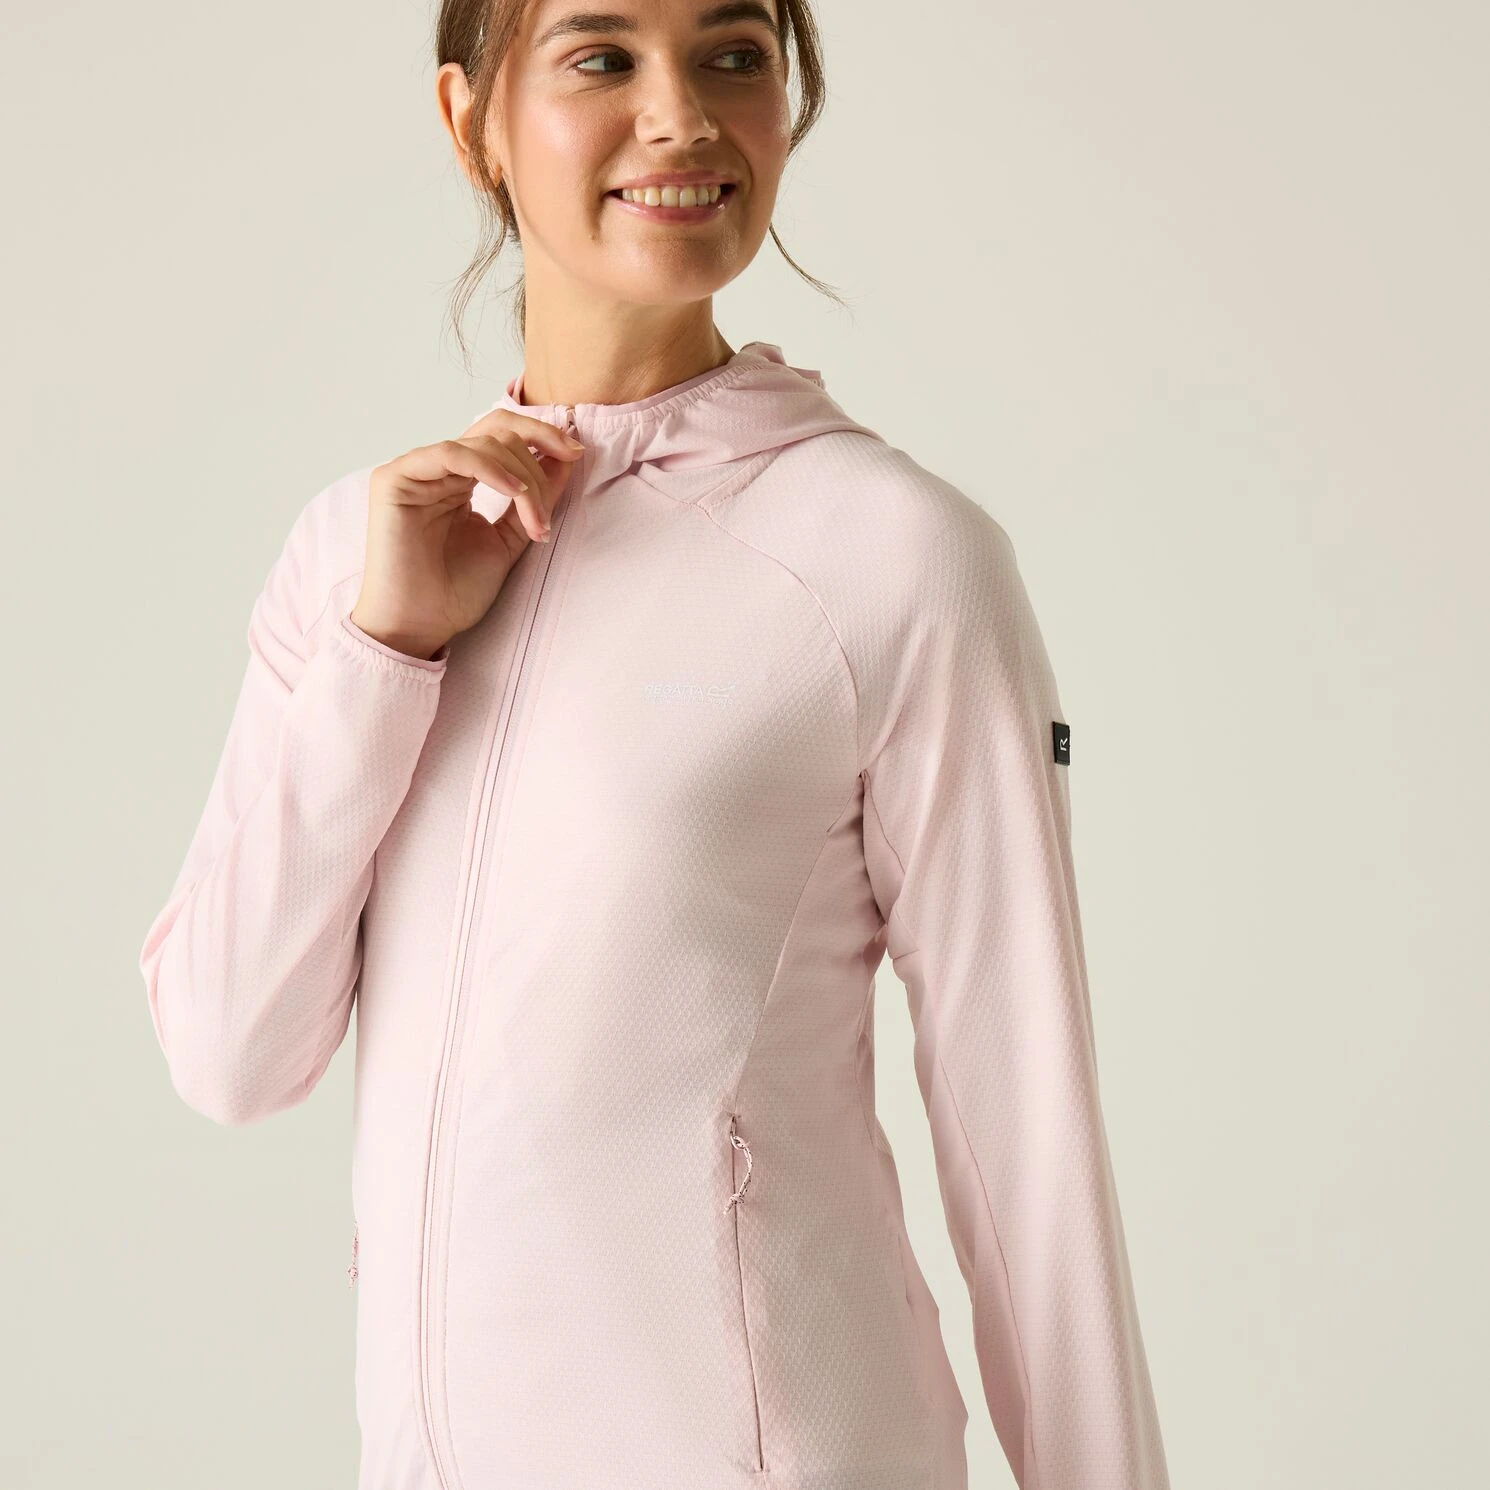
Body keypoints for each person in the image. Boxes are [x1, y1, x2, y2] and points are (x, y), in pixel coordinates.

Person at [138, 2, 1171, 1487]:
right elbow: (230, 1051)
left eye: (734, 55)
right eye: (603, 57)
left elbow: (1028, 1143)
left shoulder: (892, 556)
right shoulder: (355, 557)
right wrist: (385, 651)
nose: (682, 115)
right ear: (472, 121)